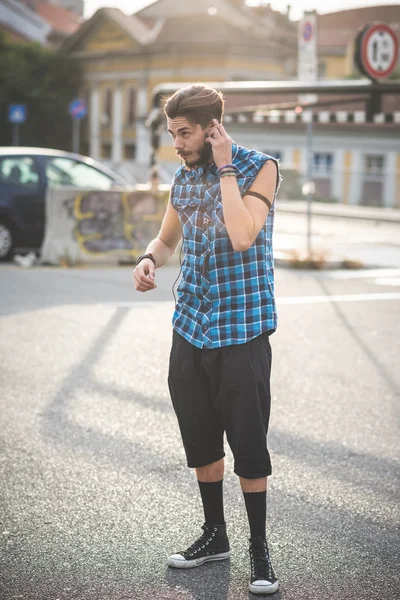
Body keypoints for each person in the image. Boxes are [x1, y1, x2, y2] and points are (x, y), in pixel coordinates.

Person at [133, 84, 280, 596]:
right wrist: (149, 257)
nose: (176, 142)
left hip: (241, 330)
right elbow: (167, 236)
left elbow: (244, 234)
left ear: (212, 128)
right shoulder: (182, 176)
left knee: (248, 442)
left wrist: (223, 169)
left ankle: (259, 550)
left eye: (184, 132)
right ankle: (215, 534)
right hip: (191, 327)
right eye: (173, 133)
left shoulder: (260, 167)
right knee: (200, 436)